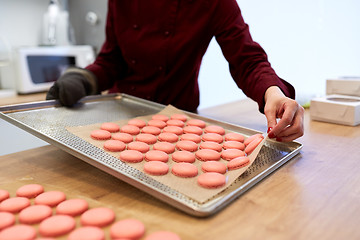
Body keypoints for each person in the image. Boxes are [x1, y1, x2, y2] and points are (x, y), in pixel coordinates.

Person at [47, 0, 304, 142]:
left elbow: (247, 60)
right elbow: (111, 60)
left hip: (179, 124)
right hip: (120, 119)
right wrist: (83, 79)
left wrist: (273, 94)